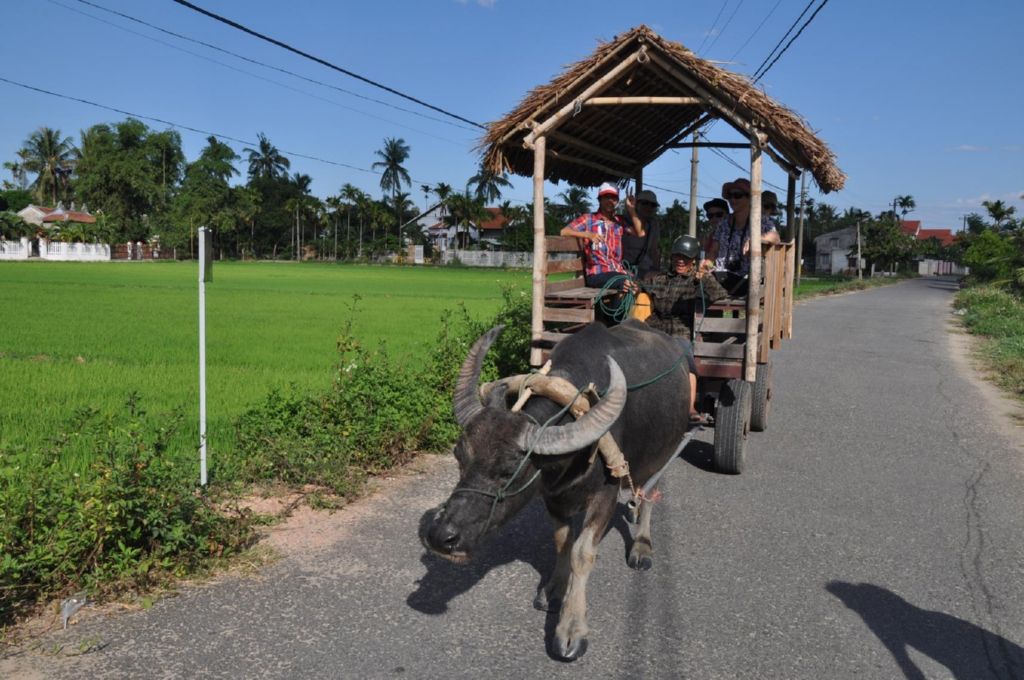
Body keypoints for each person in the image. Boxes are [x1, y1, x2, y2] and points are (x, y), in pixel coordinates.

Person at [644, 235, 729, 421]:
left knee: (685, 356)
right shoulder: (660, 278)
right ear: (671, 257)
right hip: (655, 326)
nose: (680, 261)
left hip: (681, 329)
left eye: (686, 258)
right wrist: (631, 286)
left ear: (693, 260)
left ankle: (690, 408)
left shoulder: (697, 280)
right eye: (677, 256)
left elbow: (720, 294)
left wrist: (704, 278)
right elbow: (642, 287)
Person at [560, 182, 643, 295]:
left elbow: (640, 233)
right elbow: (564, 232)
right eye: (607, 197)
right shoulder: (588, 219)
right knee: (624, 282)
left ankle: (617, 311)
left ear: (617, 202)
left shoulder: (619, 222)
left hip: (617, 271)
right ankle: (615, 311)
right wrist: (587, 235)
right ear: (600, 199)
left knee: (638, 283)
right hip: (597, 274)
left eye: (614, 198)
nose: (610, 201)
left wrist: (631, 209)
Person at [706, 178, 780, 295]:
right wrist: (706, 263)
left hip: (748, 279)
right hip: (722, 277)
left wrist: (757, 239)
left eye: (737, 195)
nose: (732, 199)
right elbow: (713, 252)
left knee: (707, 286)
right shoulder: (723, 223)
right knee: (697, 282)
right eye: (730, 196)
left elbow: (775, 237)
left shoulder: (761, 221)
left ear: (750, 198)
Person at [622, 189, 662, 280]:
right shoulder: (624, 222)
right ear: (637, 204)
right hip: (624, 268)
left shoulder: (654, 225)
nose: (648, 207)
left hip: (645, 269)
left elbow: (654, 250)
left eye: (652, 205)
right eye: (645, 203)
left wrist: (656, 271)